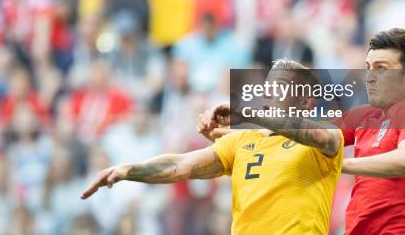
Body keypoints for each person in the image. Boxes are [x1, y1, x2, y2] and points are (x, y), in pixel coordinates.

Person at [200, 27, 405, 235]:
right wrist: (233, 135)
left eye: (381, 68)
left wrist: (336, 164)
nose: (369, 76)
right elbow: (307, 136)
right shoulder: (364, 115)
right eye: (368, 66)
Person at [81, 59, 343, 235]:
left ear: (308, 101)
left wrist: (247, 113)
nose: (270, 93)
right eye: (268, 87)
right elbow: (181, 166)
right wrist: (129, 170)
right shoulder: (241, 141)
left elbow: (312, 134)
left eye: (281, 87)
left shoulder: (325, 136)